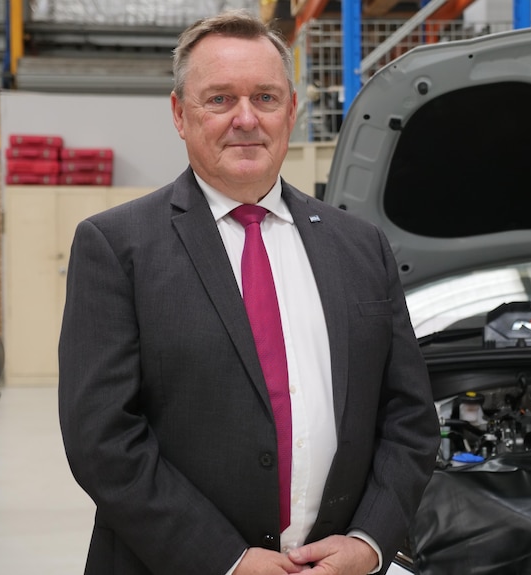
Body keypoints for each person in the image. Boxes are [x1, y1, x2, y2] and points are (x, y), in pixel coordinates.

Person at [58, 9, 439, 575]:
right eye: (219, 99)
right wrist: (226, 561)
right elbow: (103, 441)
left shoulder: (361, 247)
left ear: (290, 109)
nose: (245, 119)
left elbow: (409, 417)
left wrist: (369, 542)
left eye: (264, 97)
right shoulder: (116, 247)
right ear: (179, 114)